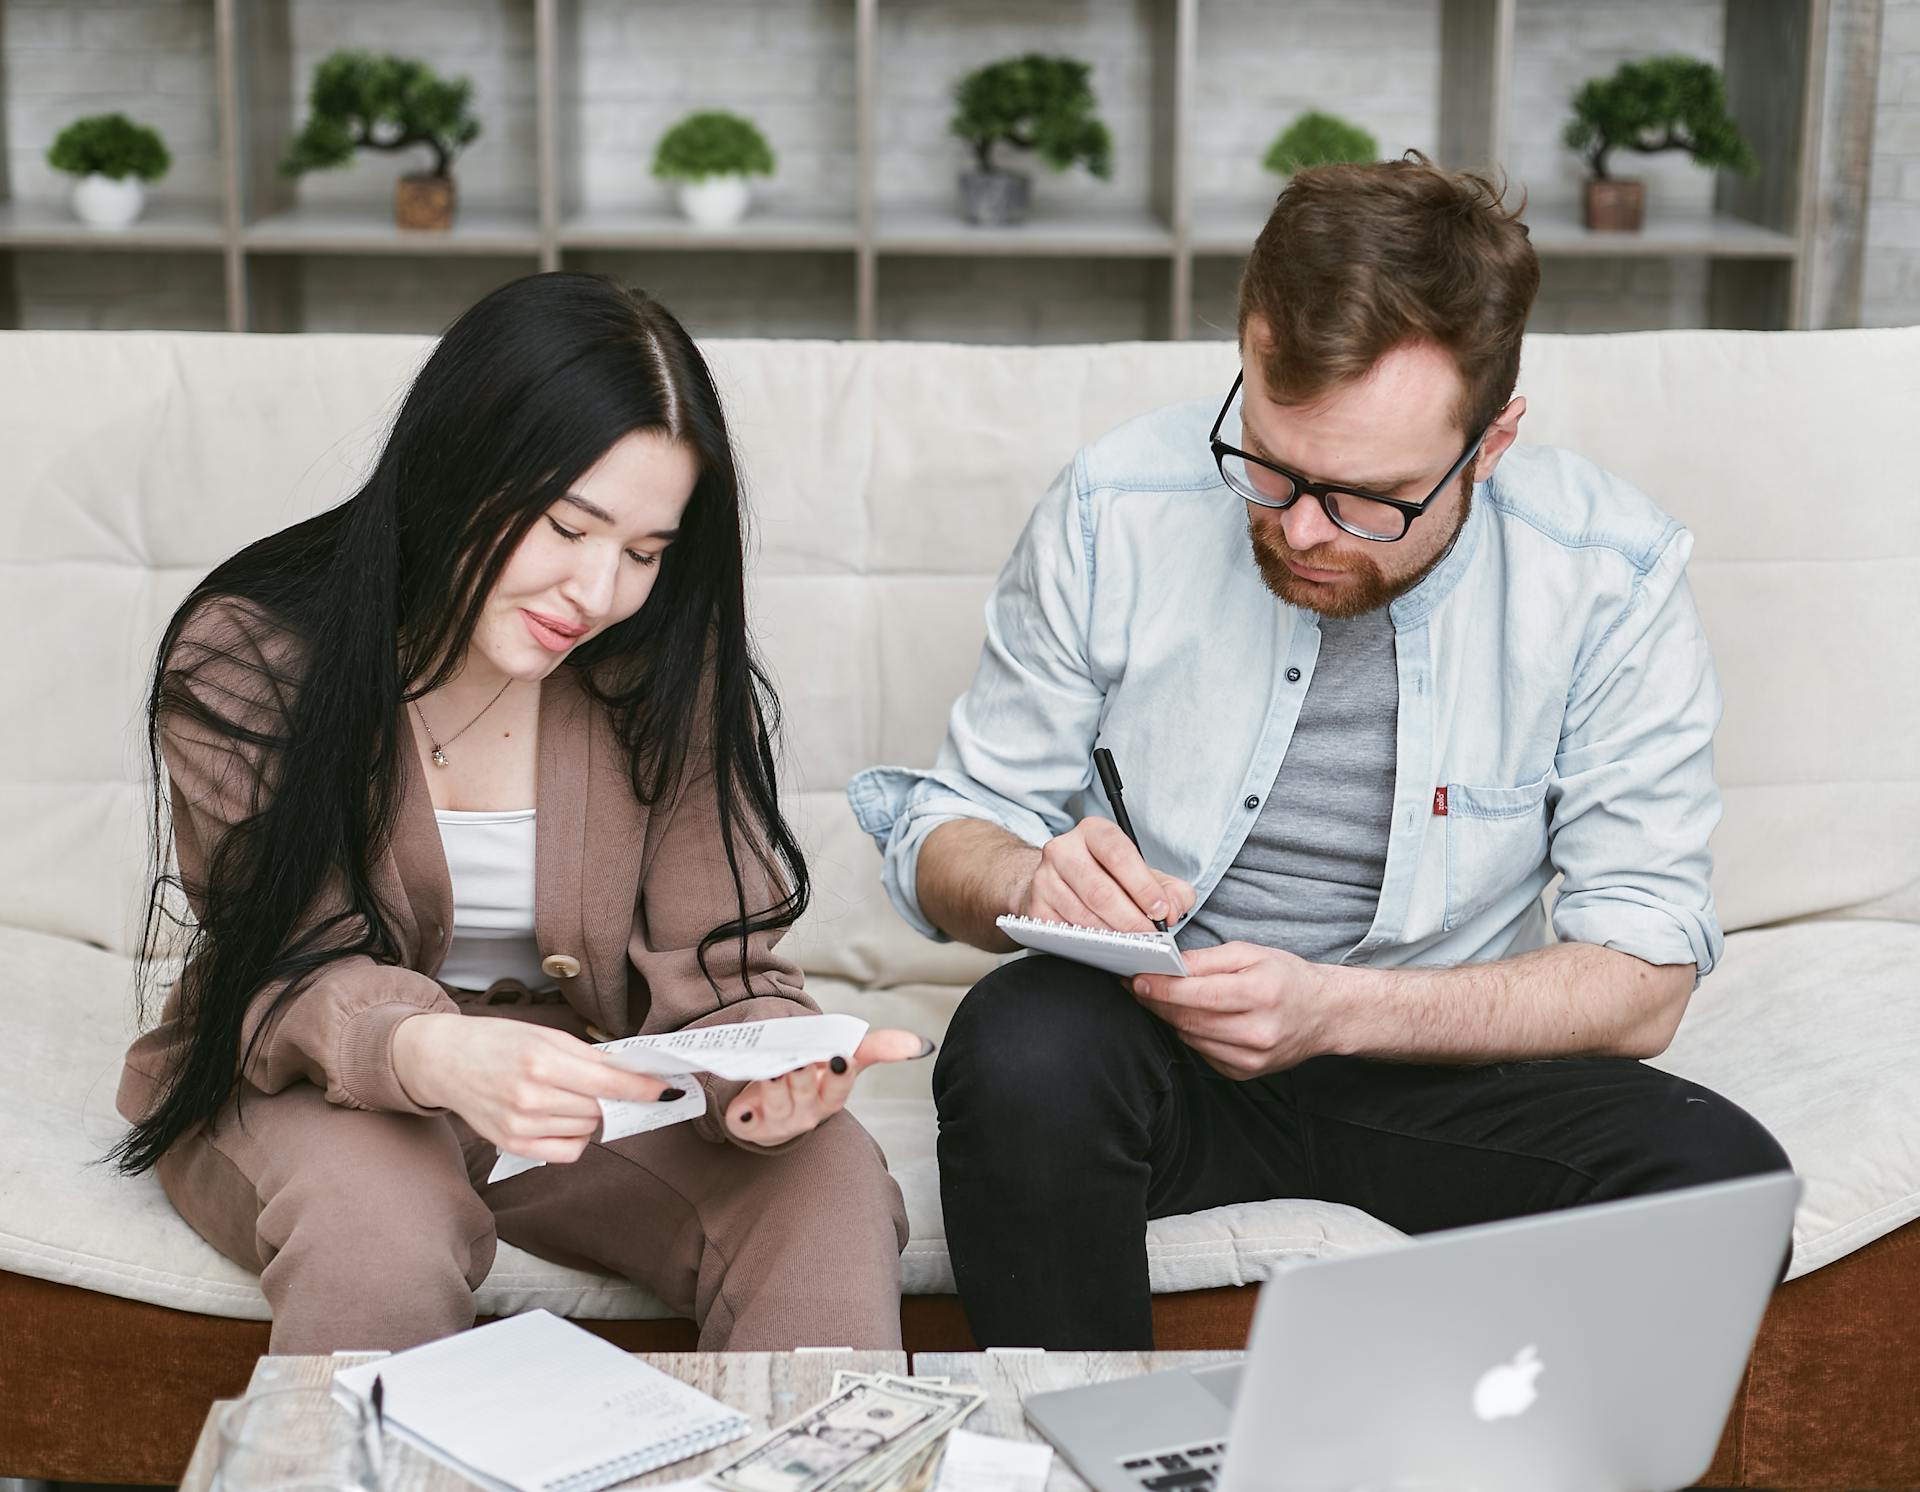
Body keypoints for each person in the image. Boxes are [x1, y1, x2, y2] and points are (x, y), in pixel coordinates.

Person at [847, 154, 1791, 1350]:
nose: (1300, 530)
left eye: (1366, 500)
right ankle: (1087, 1453)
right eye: (1270, 464)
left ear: (1491, 443)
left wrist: (1335, 1009)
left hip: (1433, 1055)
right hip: (1156, 1037)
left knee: (1724, 1181)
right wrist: (1024, 878)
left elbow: (1644, 974)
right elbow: (949, 827)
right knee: (1019, 1046)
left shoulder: (1609, 573)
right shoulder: (1116, 505)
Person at [113, 271, 927, 1354]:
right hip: (318, 1069)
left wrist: (763, 1067)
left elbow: (720, 963)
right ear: (461, 466)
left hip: (579, 1075)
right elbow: (285, 968)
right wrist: (435, 1055)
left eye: (645, 553)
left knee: (823, 1184)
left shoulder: (656, 666)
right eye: (567, 527)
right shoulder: (250, 659)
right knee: (378, 1228)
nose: (599, 594)